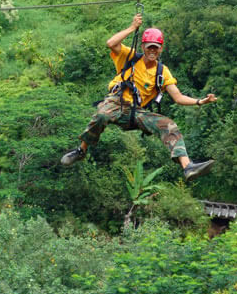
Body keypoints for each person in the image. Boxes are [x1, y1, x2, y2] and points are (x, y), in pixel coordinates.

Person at [61, 13, 218, 181]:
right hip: (117, 102)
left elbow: (178, 97)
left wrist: (200, 101)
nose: (152, 50)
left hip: (136, 112)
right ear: (143, 46)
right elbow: (110, 43)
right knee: (102, 115)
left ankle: (187, 167)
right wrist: (132, 27)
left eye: (156, 47)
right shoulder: (130, 57)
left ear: (161, 49)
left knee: (169, 125)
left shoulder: (162, 72)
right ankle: (81, 151)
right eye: (149, 46)